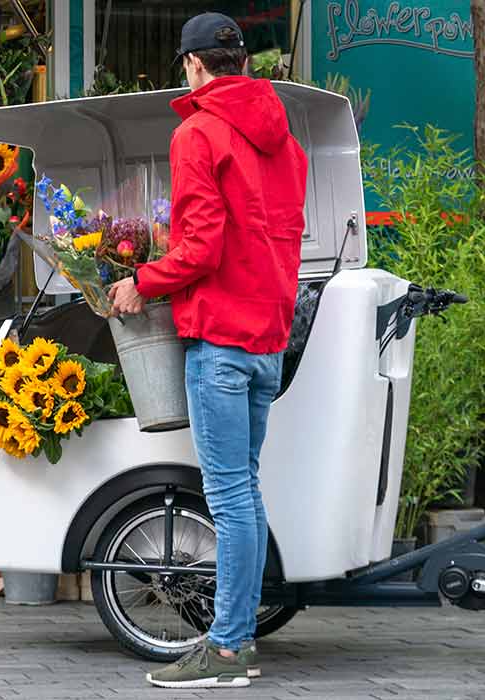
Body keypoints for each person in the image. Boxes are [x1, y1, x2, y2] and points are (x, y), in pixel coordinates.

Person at [108, 12, 309, 689]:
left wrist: (142, 280)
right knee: (243, 493)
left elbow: (200, 248)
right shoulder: (287, 137)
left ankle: (225, 650)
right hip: (268, 336)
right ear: (242, 63)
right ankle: (236, 638)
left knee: (228, 498)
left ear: (193, 66)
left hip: (221, 337)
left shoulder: (198, 131)